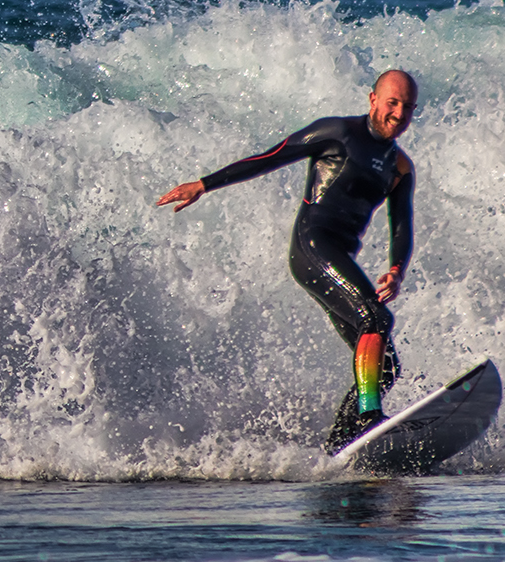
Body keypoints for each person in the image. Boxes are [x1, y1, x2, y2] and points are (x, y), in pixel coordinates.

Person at [157, 70, 418, 453]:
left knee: (387, 367)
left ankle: (343, 445)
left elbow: (402, 225)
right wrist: (204, 184)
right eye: (392, 102)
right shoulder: (337, 133)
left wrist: (397, 269)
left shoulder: (400, 167)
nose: (398, 113)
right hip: (312, 247)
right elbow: (270, 157)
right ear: (372, 99)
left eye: (408, 107)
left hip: (339, 255)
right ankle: (368, 418)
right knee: (375, 319)